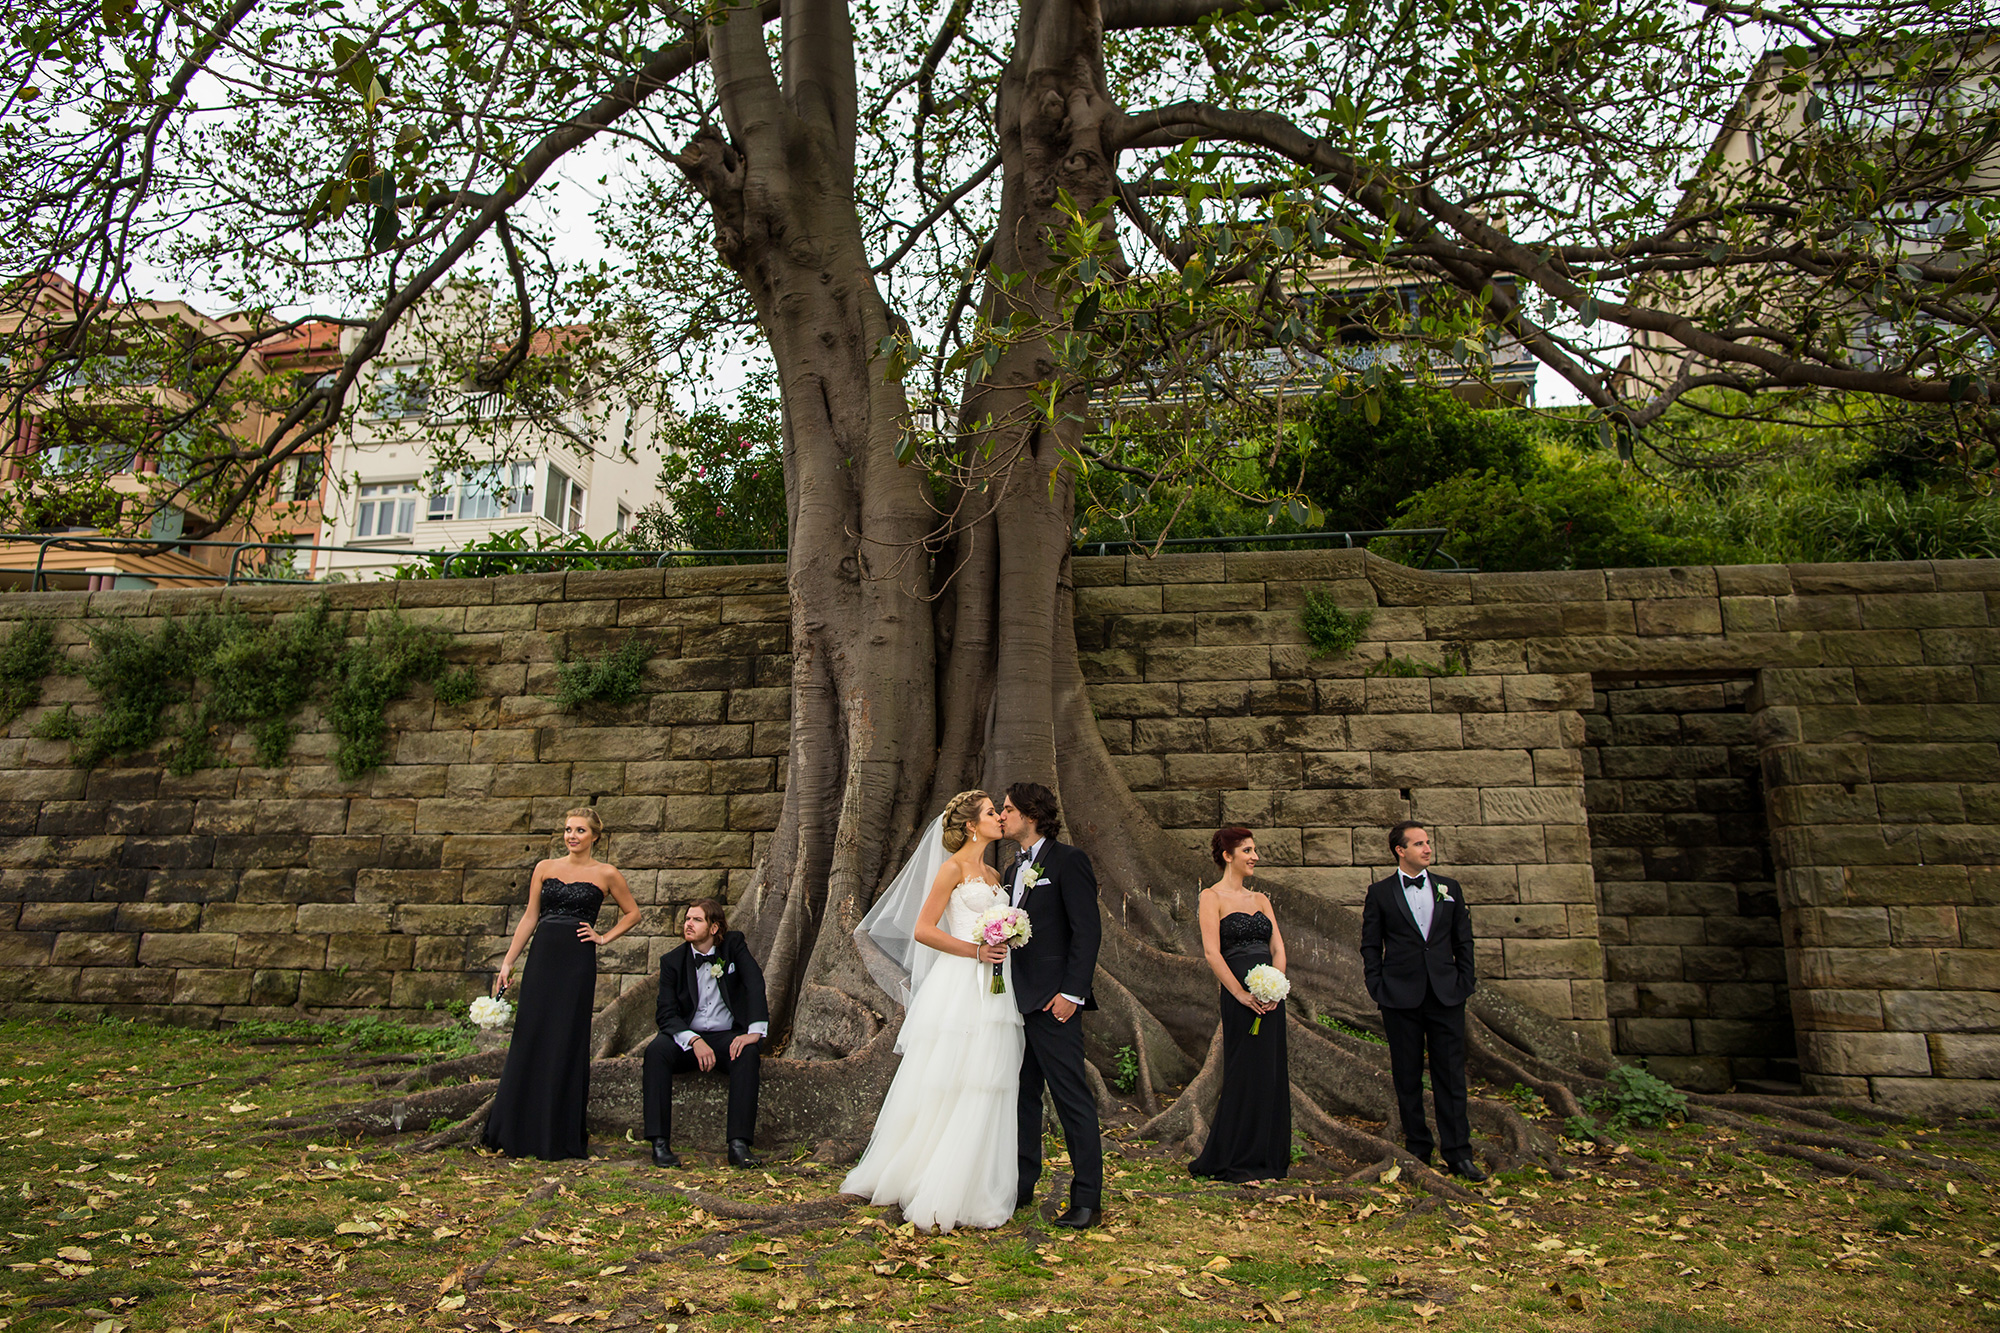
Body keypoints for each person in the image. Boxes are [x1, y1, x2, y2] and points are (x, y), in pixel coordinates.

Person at [842, 791, 1025, 1232]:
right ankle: (931, 1179)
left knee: (989, 1077)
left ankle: (976, 1183)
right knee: (954, 1077)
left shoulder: (996, 873)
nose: (999, 817)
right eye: (989, 813)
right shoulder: (953, 869)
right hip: (961, 983)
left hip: (997, 987)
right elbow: (923, 930)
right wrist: (975, 951)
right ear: (970, 826)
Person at [484, 808, 641, 1160]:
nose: (572, 836)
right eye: (568, 829)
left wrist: (603, 938)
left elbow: (633, 913)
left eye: (580, 830)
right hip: (542, 960)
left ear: (595, 836)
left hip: (577, 964)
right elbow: (530, 916)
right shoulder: (544, 868)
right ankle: (516, 1129)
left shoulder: (606, 873)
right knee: (531, 1033)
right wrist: (509, 961)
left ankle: (555, 1134)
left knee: (565, 1039)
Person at [1000, 782, 1104, 1229]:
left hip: (1054, 1003)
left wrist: (1072, 994)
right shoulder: (1010, 869)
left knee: (1071, 1099)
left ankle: (1087, 1200)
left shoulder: (1069, 861)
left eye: (1007, 809)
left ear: (1031, 813)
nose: (1001, 816)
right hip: (1013, 1004)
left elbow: (1087, 931)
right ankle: (1022, 1186)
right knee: (1022, 1098)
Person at [1359, 821, 1485, 1182]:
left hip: (1446, 995)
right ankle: (1418, 1149)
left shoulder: (1450, 888)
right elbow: (1370, 944)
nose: (1427, 848)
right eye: (1419, 844)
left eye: (1428, 842)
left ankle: (1459, 1153)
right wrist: (1377, 986)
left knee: (1450, 1076)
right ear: (1400, 851)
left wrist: (1464, 982)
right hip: (1400, 996)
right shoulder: (1380, 892)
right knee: (1407, 1076)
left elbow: (1464, 940)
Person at [1189, 827, 1291, 1182]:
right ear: (1228, 856)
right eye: (1247, 850)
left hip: (1271, 1000)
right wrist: (1240, 994)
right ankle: (1234, 1154)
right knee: (1243, 1071)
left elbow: (1278, 948)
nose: (1255, 856)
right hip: (1239, 997)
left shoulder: (1262, 899)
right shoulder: (1211, 897)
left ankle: (1269, 1155)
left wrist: (1275, 988)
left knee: (1271, 1072)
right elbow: (1211, 952)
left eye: (1254, 850)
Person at [643, 898, 771, 1168]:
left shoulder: (733, 946)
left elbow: (755, 983)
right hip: (688, 1039)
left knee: (748, 1054)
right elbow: (665, 1014)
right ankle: (659, 1144)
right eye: (687, 919)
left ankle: (738, 1145)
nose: (688, 924)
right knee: (656, 1052)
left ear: (714, 928)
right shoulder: (672, 961)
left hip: (727, 1037)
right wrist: (693, 1039)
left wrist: (755, 1031)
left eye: (697, 919)